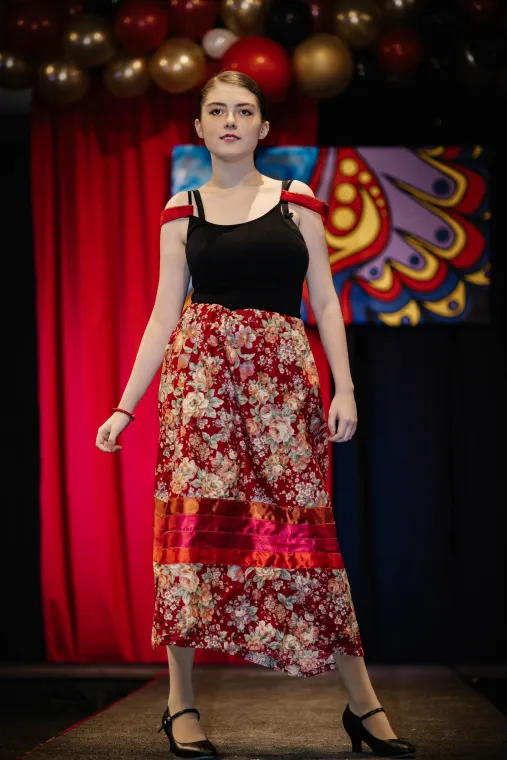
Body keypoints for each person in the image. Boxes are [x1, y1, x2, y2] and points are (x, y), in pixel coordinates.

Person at [96, 70, 416, 759]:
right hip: (201, 390)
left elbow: (325, 301)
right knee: (190, 537)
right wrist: (125, 404)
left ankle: (362, 707)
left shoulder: (295, 199)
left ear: (265, 128)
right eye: (217, 110)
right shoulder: (181, 208)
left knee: (304, 538)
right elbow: (162, 314)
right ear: (200, 128)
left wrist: (346, 387)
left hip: (280, 390)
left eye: (244, 110)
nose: (231, 120)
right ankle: (180, 706)